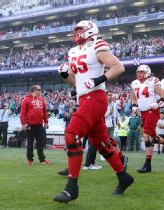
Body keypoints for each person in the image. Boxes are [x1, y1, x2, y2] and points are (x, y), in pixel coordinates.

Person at [54, 20, 133, 203]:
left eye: (80, 30)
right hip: (84, 98)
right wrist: (65, 75)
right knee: (101, 143)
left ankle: (71, 187)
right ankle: (124, 177)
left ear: (90, 30)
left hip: (96, 97)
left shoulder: (97, 44)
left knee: (72, 134)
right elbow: (77, 81)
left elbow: (118, 67)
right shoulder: (73, 51)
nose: (76, 33)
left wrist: (98, 79)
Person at [130, 64, 164, 173]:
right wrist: (134, 106)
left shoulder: (152, 81)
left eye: (142, 72)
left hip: (152, 110)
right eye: (138, 72)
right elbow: (134, 96)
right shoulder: (135, 83)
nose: (139, 74)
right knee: (152, 136)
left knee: (146, 135)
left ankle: (147, 164)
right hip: (143, 112)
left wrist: (158, 104)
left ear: (147, 73)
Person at [20, 85, 50, 165]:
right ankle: (30, 159)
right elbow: (22, 113)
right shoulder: (26, 100)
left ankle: (42, 160)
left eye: (40, 89)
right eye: (38, 89)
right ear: (33, 90)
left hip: (40, 125)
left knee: (40, 143)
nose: (40, 91)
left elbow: (45, 112)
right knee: (30, 143)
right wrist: (23, 124)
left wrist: (46, 122)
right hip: (30, 125)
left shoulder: (42, 99)